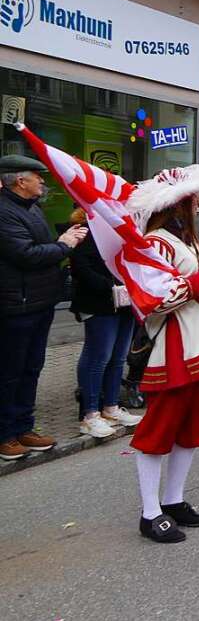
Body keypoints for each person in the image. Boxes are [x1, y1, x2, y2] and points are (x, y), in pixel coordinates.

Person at [126, 164, 199, 543]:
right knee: (160, 427)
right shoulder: (155, 242)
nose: (193, 207)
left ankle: (173, 500)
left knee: (192, 426)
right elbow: (156, 301)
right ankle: (149, 511)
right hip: (173, 345)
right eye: (187, 201)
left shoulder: (188, 241)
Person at [0, 155, 88, 461]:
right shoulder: (4, 212)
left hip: (39, 303)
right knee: (10, 372)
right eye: (38, 177)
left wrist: (60, 244)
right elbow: (26, 254)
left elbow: (41, 248)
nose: (43, 182)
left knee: (31, 368)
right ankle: (5, 435)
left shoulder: (32, 209)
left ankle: (24, 427)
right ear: (20, 181)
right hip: (16, 306)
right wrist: (64, 245)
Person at [68, 207, 140, 438]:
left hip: (125, 304)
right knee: (98, 358)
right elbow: (81, 268)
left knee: (118, 358)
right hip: (99, 305)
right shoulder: (85, 233)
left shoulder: (122, 233)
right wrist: (112, 289)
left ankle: (111, 407)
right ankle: (90, 415)